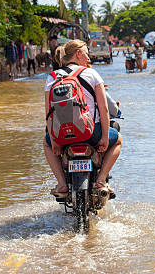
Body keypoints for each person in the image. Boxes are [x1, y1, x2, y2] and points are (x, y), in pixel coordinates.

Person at [45, 40, 122, 197]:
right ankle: (101, 180)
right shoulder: (91, 73)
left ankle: (61, 184)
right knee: (119, 140)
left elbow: (48, 113)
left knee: (46, 145)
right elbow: (104, 109)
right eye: (87, 53)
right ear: (78, 54)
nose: (89, 57)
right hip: (90, 133)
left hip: (62, 136)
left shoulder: (52, 77)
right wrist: (105, 138)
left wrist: (54, 141)